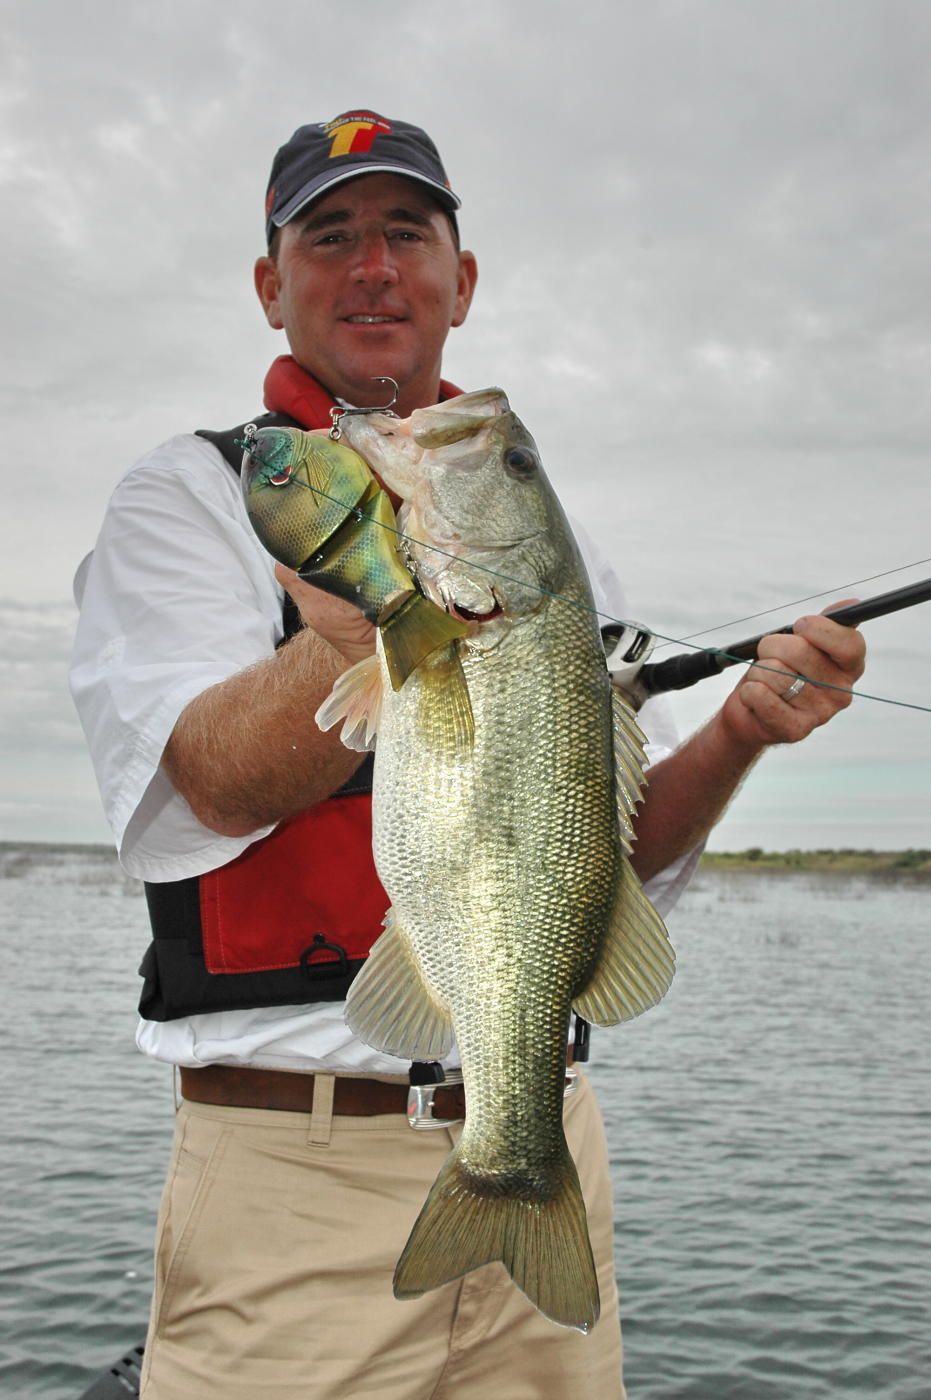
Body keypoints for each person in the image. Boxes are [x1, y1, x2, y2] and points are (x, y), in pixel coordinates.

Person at [70, 110, 866, 1400]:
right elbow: (203, 782)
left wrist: (737, 732)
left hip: (546, 1138)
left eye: (407, 233)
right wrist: (353, 634)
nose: (372, 266)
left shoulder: (535, 542)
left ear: (462, 279)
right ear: (272, 288)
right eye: (329, 238)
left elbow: (608, 861)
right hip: (292, 1186)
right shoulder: (195, 496)